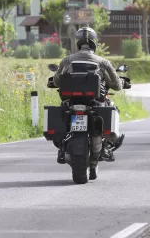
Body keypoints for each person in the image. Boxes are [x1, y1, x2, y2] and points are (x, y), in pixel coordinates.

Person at [52, 27, 127, 173]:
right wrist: (123, 82)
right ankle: (105, 149)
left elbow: (56, 81)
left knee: (61, 112)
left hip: (71, 103)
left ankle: (62, 148)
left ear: (78, 43)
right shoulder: (103, 62)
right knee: (111, 106)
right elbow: (117, 85)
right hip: (95, 103)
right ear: (95, 43)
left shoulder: (67, 60)